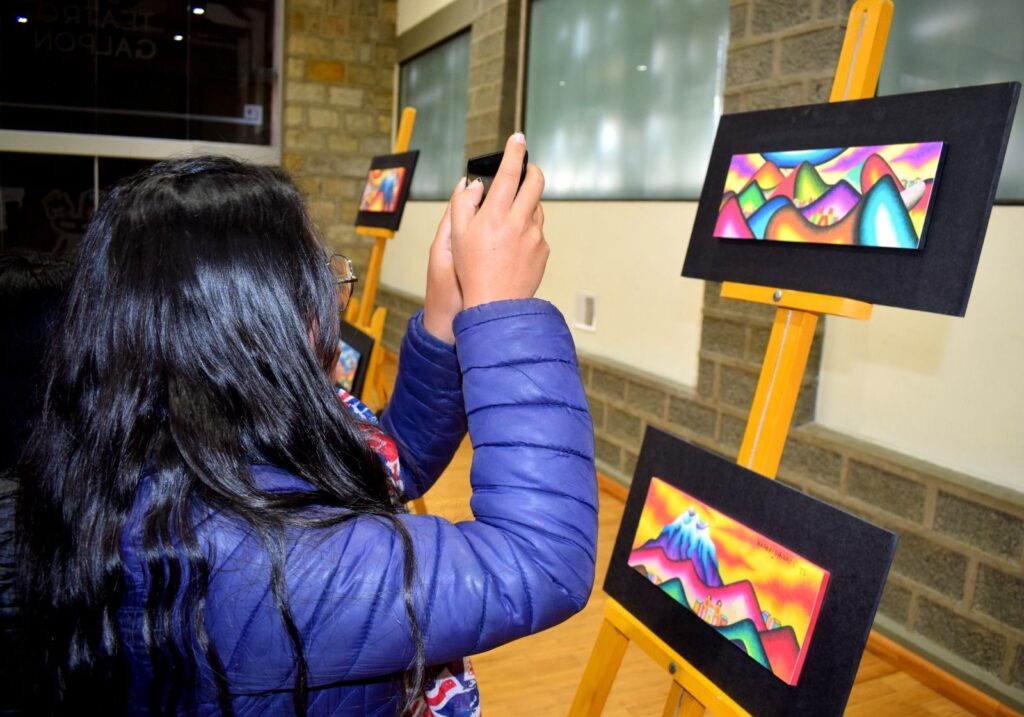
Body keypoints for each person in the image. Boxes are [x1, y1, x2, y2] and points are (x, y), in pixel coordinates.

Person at [16, 133, 598, 715]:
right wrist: (503, 312)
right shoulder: (265, 562)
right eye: (313, 277)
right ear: (250, 326)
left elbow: (389, 463)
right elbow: (539, 560)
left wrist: (446, 318)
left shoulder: (180, 451)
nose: (331, 296)